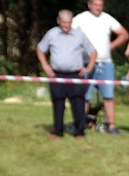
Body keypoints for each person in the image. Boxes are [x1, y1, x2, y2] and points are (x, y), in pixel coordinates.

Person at [36, 10, 97, 139]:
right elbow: (40, 49)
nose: (66, 25)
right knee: (58, 104)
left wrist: (89, 67)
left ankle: (79, 132)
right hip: (57, 75)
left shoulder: (79, 35)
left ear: (72, 22)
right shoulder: (51, 34)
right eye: (64, 22)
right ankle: (57, 131)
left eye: (69, 22)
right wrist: (45, 65)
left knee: (78, 105)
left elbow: (93, 51)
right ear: (58, 21)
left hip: (76, 75)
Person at [72, 0, 129, 135]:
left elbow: (124, 34)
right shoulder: (80, 19)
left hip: (106, 64)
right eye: (95, 4)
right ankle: (80, 124)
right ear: (89, 5)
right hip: (85, 64)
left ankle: (112, 126)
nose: (98, 7)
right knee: (83, 96)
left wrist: (109, 47)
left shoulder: (107, 18)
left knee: (108, 96)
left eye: (100, 5)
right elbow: (68, 35)